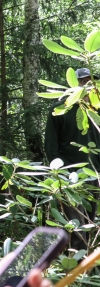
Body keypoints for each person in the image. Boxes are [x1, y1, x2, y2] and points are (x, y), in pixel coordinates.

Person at [44, 67, 100, 250]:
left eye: (91, 81)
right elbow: (51, 146)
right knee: (76, 227)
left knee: (90, 224)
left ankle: (86, 271)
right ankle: (74, 271)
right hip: (70, 176)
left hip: (94, 176)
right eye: (83, 81)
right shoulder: (59, 109)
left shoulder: (97, 110)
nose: (87, 84)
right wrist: (61, 173)